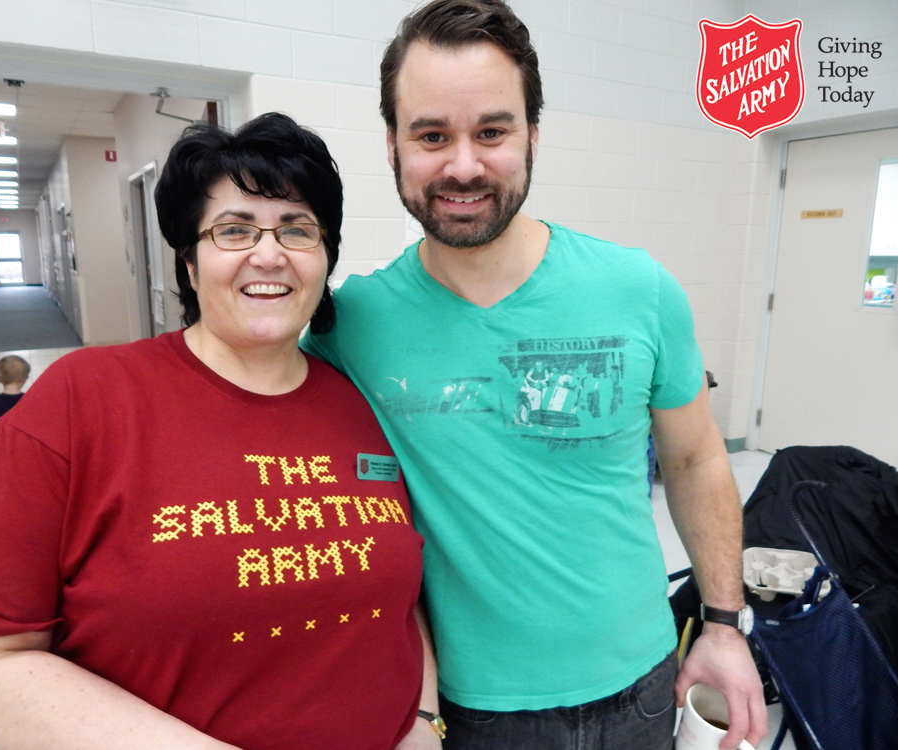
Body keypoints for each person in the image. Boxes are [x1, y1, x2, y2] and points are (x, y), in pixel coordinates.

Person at [302, 2, 768, 749]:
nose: (462, 164)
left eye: (492, 131)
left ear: (533, 136)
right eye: (431, 135)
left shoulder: (638, 289)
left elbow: (695, 456)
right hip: (468, 709)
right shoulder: (349, 328)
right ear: (391, 146)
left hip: (641, 687)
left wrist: (722, 623)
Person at [0, 113, 442, 750]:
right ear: (189, 262)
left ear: (325, 256)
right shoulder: (81, 400)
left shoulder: (359, 401)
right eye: (234, 229)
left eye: (297, 229)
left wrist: (421, 720)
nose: (269, 252)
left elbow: (399, 591)